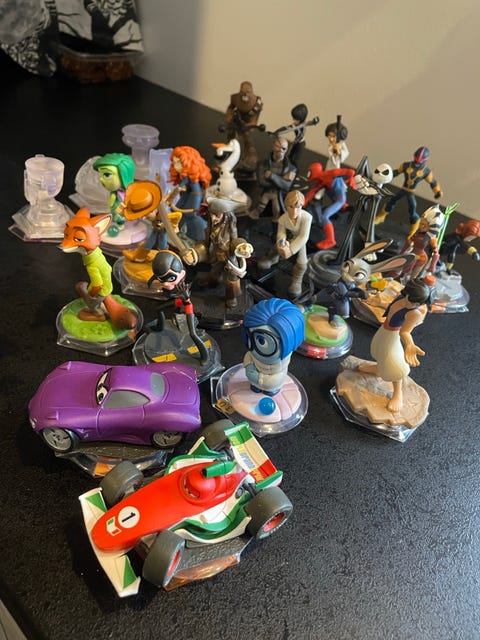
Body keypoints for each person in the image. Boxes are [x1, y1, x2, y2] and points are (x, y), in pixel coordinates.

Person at [359, 277, 436, 412]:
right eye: (411, 300)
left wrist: (410, 344)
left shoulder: (414, 313)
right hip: (384, 330)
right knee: (378, 351)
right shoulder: (401, 297)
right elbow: (391, 307)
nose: (413, 304)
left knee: (394, 364)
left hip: (393, 335)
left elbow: (405, 331)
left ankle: (397, 393)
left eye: (417, 303)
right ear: (407, 294)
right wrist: (379, 303)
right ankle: (379, 369)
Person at [182, 198, 253, 308]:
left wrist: (241, 247)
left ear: (225, 215)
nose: (213, 218)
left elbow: (235, 240)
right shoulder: (211, 225)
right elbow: (207, 241)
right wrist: (198, 251)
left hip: (229, 255)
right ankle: (213, 279)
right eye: (212, 214)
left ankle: (231, 296)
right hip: (217, 253)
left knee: (233, 278)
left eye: (216, 215)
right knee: (215, 269)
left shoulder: (230, 225)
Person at [241, 298, 304, 396]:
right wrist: (249, 365)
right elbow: (249, 356)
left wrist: (260, 379)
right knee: (254, 389)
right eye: (249, 336)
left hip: (270, 384)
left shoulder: (280, 364)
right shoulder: (253, 349)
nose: (251, 345)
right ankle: (256, 387)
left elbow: (277, 378)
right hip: (254, 379)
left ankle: (270, 391)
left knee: (270, 390)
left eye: (261, 341)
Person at [376, 146, 443, 225]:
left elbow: (432, 182)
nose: (417, 162)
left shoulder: (426, 171)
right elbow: (396, 172)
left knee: (412, 208)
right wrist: (384, 176)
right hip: (403, 189)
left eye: (419, 161)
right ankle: (381, 216)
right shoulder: (406, 165)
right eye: (416, 159)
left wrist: (437, 191)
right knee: (392, 200)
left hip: (410, 192)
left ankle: (414, 226)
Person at [304, 162, 356, 249]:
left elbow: (351, 171)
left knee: (325, 216)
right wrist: (304, 202)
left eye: (310, 172)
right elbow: (313, 191)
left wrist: (350, 179)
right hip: (337, 199)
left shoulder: (331, 173)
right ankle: (343, 207)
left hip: (340, 200)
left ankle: (330, 240)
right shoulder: (322, 181)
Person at [168, 146, 212, 242]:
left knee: (191, 215)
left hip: (195, 196)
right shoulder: (184, 177)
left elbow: (178, 188)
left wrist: (172, 195)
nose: (176, 166)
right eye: (174, 163)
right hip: (187, 194)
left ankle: (202, 233)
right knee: (176, 211)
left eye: (179, 163)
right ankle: (178, 229)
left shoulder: (190, 177)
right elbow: (179, 188)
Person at [249, 136, 297, 221]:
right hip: (265, 193)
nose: (280, 150)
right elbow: (262, 182)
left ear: (286, 150)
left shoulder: (291, 169)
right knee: (258, 208)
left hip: (277, 195)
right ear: (273, 147)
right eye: (278, 147)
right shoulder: (262, 164)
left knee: (277, 212)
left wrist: (272, 176)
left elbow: (286, 186)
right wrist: (282, 179)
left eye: (283, 148)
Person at [93, 152, 135, 228]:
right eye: (100, 174)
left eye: (106, 174)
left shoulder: (128, 193)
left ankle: (121, 224)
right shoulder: (114, 192)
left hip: (122, 210)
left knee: (120, 217)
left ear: (123, 175)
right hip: (114, 209)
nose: (100, 179)